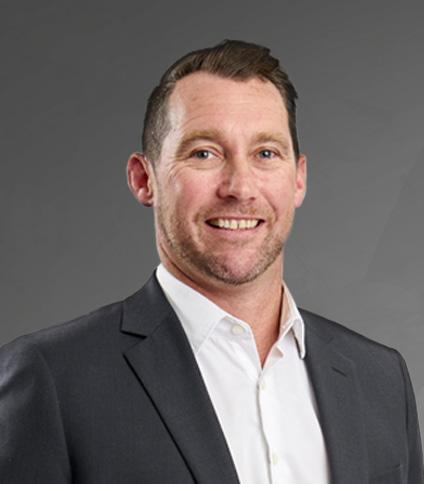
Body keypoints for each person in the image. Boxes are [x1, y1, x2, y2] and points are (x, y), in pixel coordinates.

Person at [0, 40, 422, 484]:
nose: (240, 187)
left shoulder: (381, 380)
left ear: (298, 179)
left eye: (265, 153)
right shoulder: (53, 378)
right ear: (144, 179)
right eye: (204, 153)